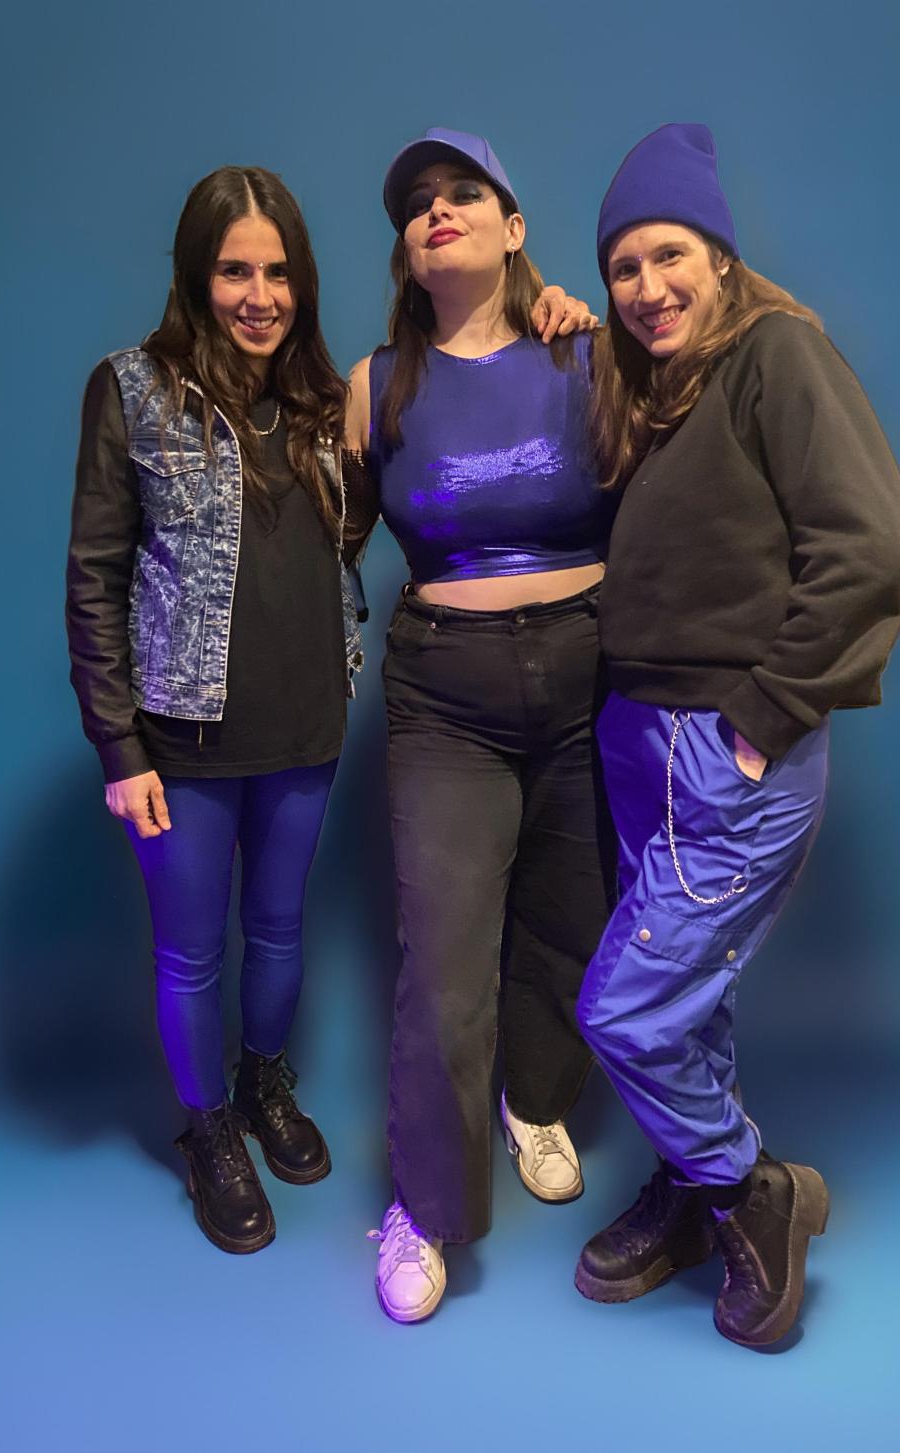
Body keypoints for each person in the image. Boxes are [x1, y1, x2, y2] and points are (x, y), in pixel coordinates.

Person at [574, 124, 900, 1347]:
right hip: (638, 743)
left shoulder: (778, 353)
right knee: (688, 998)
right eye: (623, 267)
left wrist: (764, 720)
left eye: (668, 254)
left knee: (625, 1008)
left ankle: (750, 1189)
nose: (646, 286)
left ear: (718, 254)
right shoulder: (655, 387)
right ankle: (690, 1183)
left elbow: (867, 547)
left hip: (725, 748)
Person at [345, 128, 618, 1323]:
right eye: (417, 204)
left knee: (573, 925)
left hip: (591, 677)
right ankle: (425, 1202)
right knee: (446, 958)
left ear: (512, 230)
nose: (437, 210)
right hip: (445, 695)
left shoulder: (583, 353)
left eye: (464, 192)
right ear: (407, 251)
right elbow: (322, 546)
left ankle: (536, 1102)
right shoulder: (374, 385)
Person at [66, 166, 364, 1254]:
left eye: (278, 272)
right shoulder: (133, 389)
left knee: (278, 930)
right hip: (182, 741)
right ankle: (208, 1133)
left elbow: (361, 527)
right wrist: (119, 746)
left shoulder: (327, 401)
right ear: (198, 275)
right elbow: (95, 575)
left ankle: (263, 1084)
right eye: (236, 271)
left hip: (305, 724)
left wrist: (545, 309)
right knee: (192, 954)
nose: (260, 295)